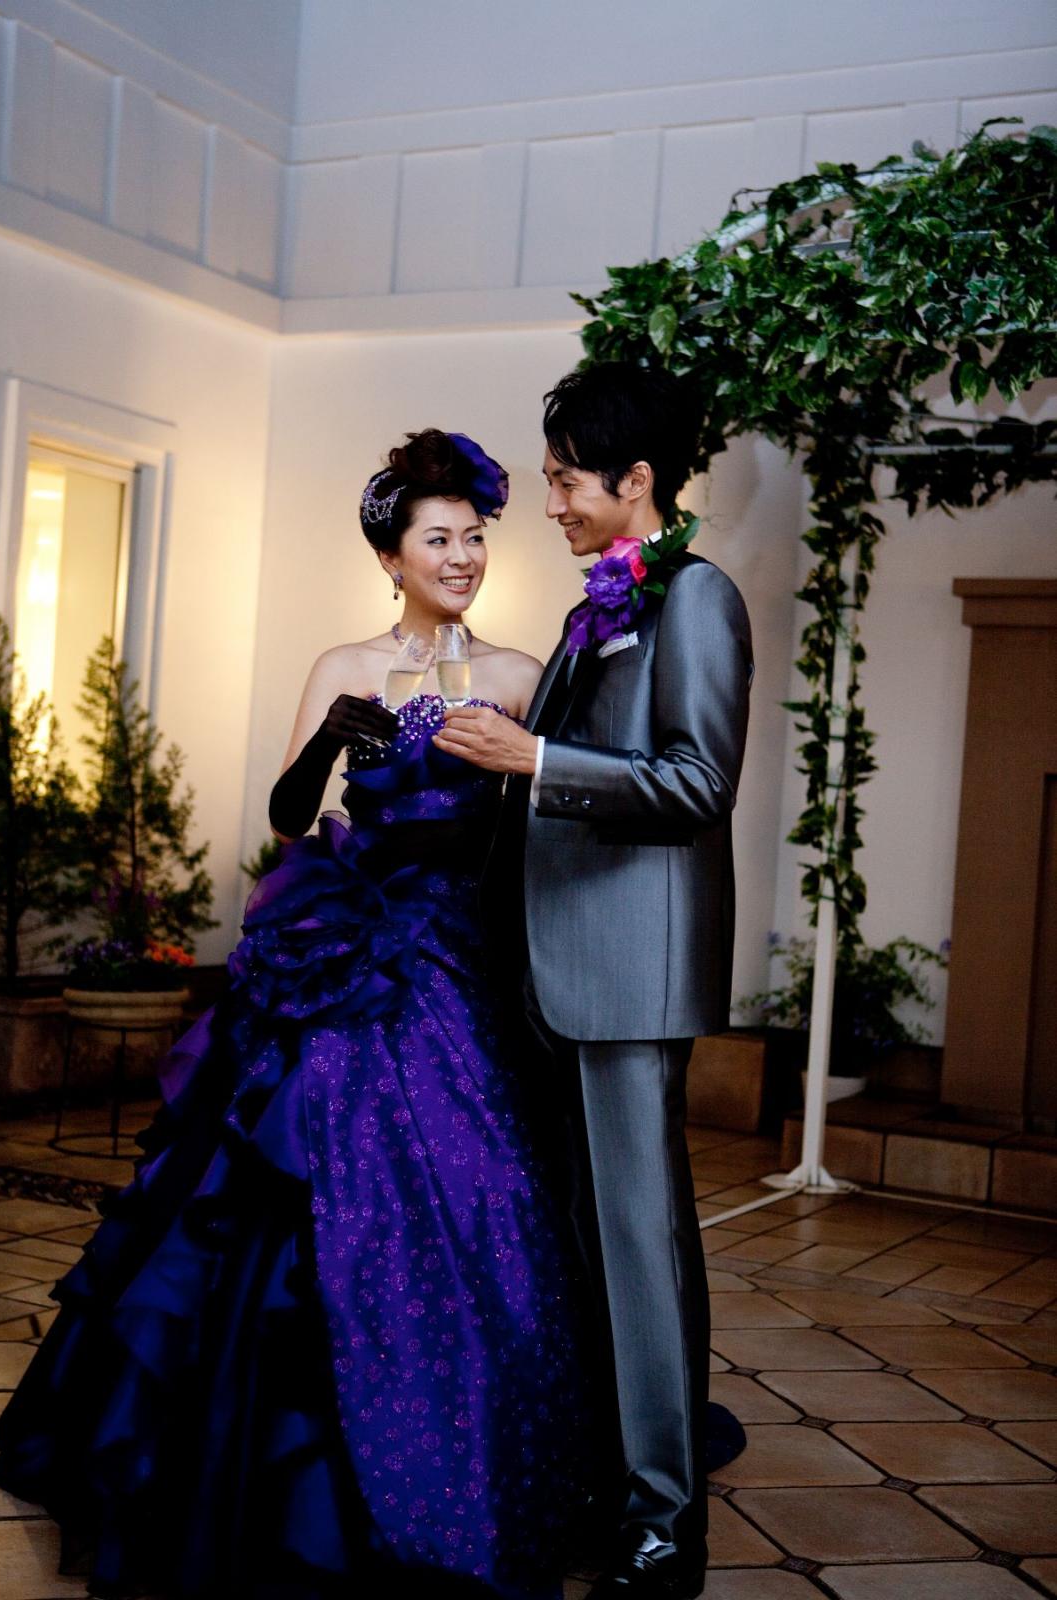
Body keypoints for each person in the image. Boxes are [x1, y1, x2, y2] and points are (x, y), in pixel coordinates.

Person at [0, 429, 592, 1600]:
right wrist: (334, 735)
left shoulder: (523, 675)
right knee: (282, 1180)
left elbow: (544, 835)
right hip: (344, 951)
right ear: (392, 556)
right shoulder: (346, 664)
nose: (462, 556)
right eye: (438, 539)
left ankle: (476, 1452)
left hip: (458, 961)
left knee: (480, 1188)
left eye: (474, 537)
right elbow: (284, 814)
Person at [433, 364, 753, 1599]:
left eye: (566, 478)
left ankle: (666, 1524)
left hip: (629, 976)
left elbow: (695, 783)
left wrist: (535, 758)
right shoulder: (592, 610)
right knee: (579, 1245)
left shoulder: (698, 598)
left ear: (636, 480)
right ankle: (608, 1483)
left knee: (640, 1251)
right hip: (554, 969)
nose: (552, 500)